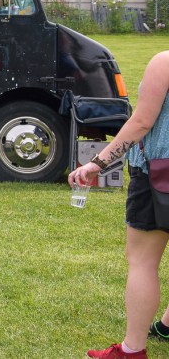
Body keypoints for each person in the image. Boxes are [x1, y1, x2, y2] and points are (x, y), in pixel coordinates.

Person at [71, 50, 169, 358]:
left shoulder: (165, 62)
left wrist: (97, 163)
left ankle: (131, 350)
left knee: (142, 261)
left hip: (158, 172)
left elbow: (141, 122)